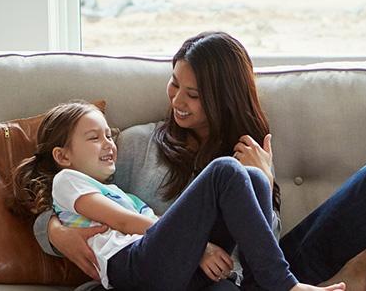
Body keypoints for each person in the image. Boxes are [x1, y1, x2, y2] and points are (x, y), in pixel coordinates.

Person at [35, 31, 285, 290]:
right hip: (153, 273)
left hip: (220, 280)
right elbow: (71, 193)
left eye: (193, 94)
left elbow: (265, 249)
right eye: (175, 83)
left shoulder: (250, 154)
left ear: (224, 99)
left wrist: (265, 180)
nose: (177, 100)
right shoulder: (136, 145)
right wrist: (54, 232)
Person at [17, 102, 342, 291]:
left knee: (255, 178)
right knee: (224, 170)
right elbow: (123, 221)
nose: (109, 143)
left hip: (165, 267)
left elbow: (156, 226)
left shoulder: (121, 193)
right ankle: (285, 285)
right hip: (132, 268)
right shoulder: (68, 182)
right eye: (94, 137)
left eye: (108, 134)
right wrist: (197, 244)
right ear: (62, 156)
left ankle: (263, 285)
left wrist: (194, 248)